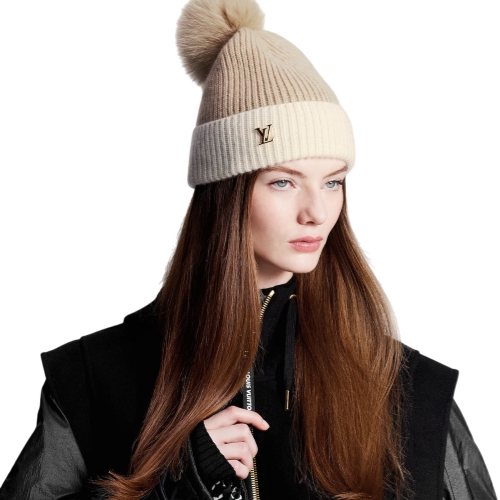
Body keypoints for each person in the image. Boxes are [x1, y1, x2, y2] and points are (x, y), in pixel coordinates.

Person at [0, 0, 497, 499]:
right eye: (283, 182)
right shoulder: (96, 377)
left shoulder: (409, 389)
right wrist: (175, 485)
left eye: (332, 182)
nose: (317, 212)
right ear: (227, 193)